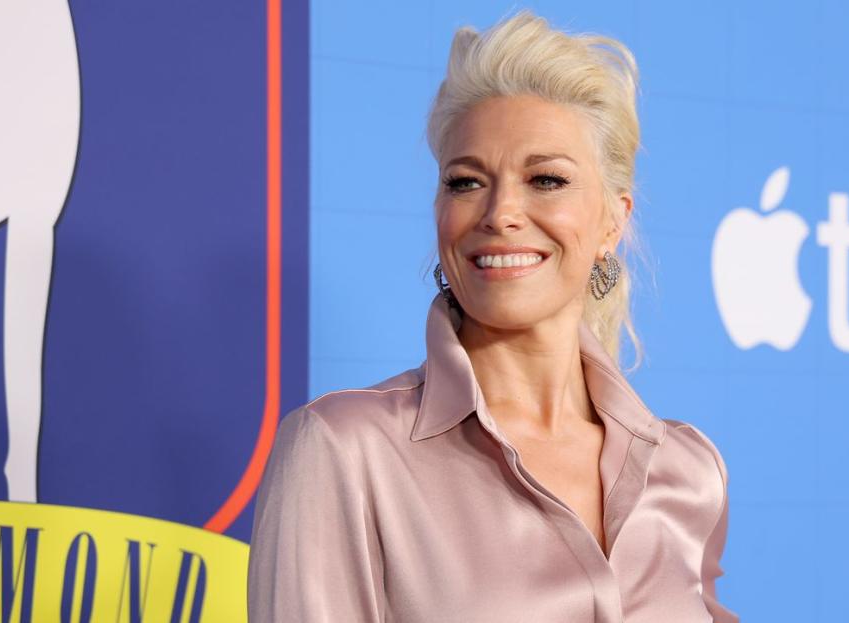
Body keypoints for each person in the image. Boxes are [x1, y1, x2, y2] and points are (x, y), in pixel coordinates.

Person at [248, 10, 738, 622]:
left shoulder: (688, 470)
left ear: (613, 220)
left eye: (546, 179)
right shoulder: (343, 452)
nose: (501, 212)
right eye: (466, 182)